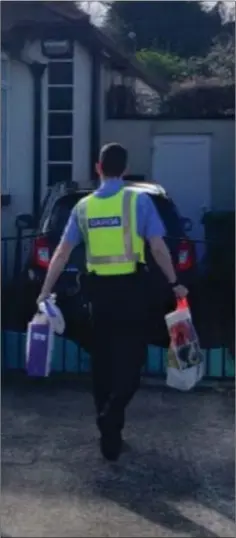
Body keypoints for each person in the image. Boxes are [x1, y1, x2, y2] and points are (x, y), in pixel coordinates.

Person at [37, 143, 187, 461]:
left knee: (102, 363)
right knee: (134, 362)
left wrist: (44, 290)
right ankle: (113, 414)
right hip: (132, 292)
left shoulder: (84, 207)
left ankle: (108, 431)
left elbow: (61, 253)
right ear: (125, 167)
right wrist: (175, 283)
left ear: (98, 168)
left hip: (98, 296)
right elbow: (158, 248)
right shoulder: (138, 202)